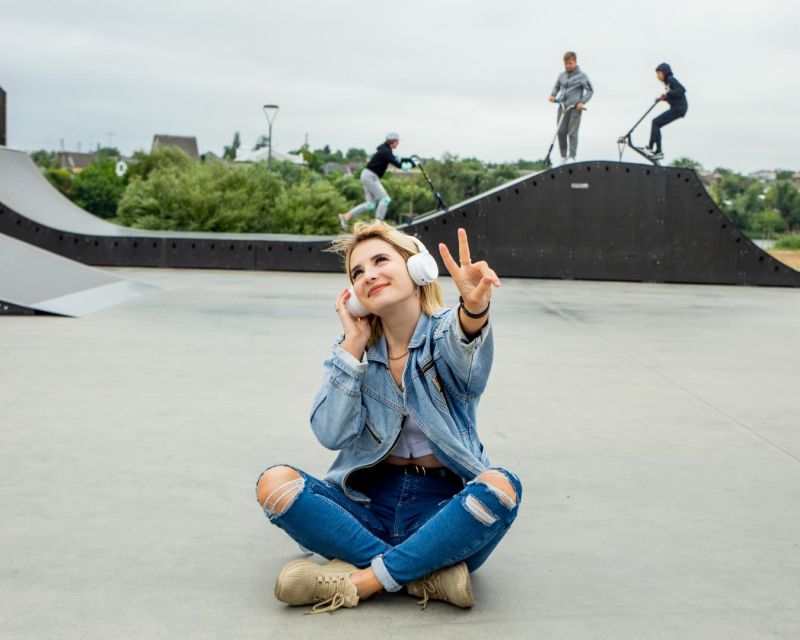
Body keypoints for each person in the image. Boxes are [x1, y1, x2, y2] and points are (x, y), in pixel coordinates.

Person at [255, 221, 522, 614]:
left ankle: (360, 580)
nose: (369, 275)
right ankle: (422, 573)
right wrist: (352, 347)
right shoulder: (354, 352)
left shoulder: (444, 333)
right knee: (275, 483)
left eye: (381, 260)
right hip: (366, 504)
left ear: (418, 269)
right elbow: (330, 433)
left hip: (441, 513)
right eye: (357, 272)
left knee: (500, 487)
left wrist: (474, 310)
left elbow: (466, 349)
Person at [338, 133, 414, 229]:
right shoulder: (386, 152)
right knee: (385, 199)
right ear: (392, 141)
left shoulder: (385, 150)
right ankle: (378, 224)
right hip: (370, 176)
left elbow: (395, 159)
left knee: (370, 205)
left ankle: (346, 216)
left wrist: (407, 162)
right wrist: (409, 165)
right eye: (397, 142)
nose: (398, 143)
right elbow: (398, 164)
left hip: (367, 175)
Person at [548, 51, 594, 164]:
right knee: (561, 132)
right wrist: (553, 95)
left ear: (575, 62)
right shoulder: (561, 75)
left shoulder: (582, 76)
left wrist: (582, 102)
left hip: (574, 108)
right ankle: (563, 157)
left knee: (572, 133)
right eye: (566, 64)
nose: (568, 66)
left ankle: (572, 157)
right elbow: (557, 86)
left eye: (570, 63)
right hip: (563, 107)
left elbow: (590, 90)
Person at [646, 63, 688, 161]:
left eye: (659, 73)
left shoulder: (670, 79)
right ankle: (658, 152)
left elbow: (682, 90)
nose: (657, 76)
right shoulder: (667, 83)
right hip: (678, 107)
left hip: (679, 108)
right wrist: (663, 99)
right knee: (657, 124)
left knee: (655, 122)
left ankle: (650, 148)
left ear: (665, 73)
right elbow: (674, 96)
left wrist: (667, 94)